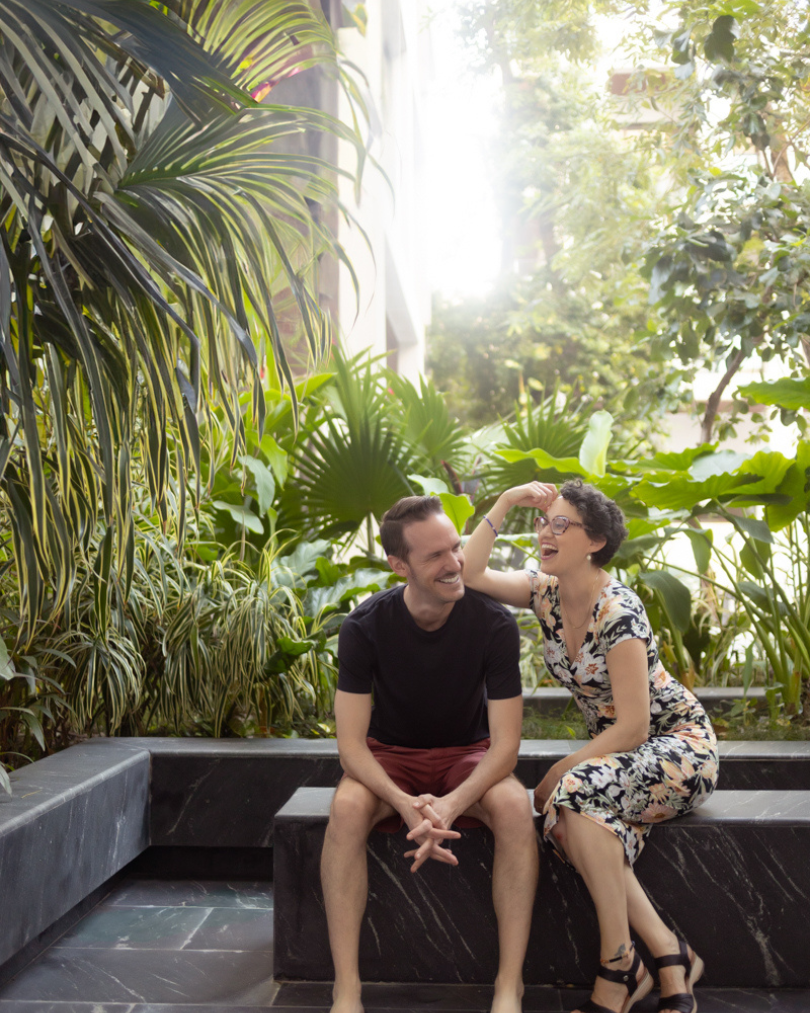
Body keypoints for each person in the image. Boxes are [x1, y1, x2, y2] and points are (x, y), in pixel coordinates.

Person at [463, 479, 718, 1013]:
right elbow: (469, 571)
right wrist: (507, 501)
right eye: (542, 522)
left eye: (561, 525)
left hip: (677, 747)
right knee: (570, 818)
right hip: (619, 757)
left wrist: (558, 770)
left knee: (568, 796)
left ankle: (619, 963)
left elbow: (633, 727)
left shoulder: (618, 610)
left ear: (595, 541)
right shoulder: (544, 592)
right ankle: (668, 956)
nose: (544, 534)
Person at [320, 495, 539, 1013]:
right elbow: (350, 745)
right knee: (347, 808)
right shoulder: (364, 627)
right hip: (390, 755)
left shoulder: (493, 624)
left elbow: (505, 744)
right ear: (400, 566)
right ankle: (346, 988)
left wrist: (450, 804)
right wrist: (403, 801)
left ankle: (510, 986)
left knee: (513, 807)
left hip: (468, 754)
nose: (455, 563)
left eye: (456, 548)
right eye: (435, 556)